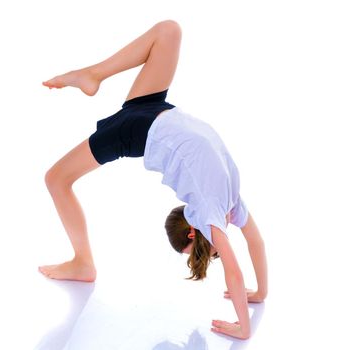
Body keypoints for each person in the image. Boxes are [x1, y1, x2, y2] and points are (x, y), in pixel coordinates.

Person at [39, 20, 267, 340]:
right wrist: (244, 326)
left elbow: (255, 241)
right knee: (56, 179)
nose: (212, 246)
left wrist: (261, 291)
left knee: (169, 31)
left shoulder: (230, 200)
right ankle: (83, 263)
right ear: (192, 230)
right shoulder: (209, 213)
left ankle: (95, 74)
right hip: (140, 128)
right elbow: (234, 267)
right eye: (200, 248)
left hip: (156, 111)